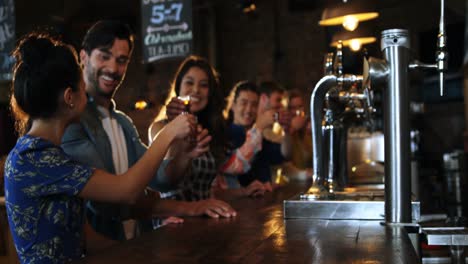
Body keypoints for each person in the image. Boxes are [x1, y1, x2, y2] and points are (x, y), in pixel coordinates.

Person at [4, 33, 194, 263]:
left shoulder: (51, 156)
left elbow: (86, 239)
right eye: (82, 88)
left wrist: (144, 255)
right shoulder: (35, 158)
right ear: (69, 97)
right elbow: (126, 190)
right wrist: (168, 134)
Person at [61, 21, 235, 243]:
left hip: (136, 247)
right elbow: (113, 201)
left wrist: (184, 155)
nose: (113, 69)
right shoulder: (72, 121)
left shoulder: (122, 122)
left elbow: (161, 180)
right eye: (104, 56)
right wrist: (168, 134)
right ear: (83, 57)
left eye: (121, 60)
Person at [148, 56, 265, 202]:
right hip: (173, 220)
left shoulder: (210, 130)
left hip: (204, 218)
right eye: (189, 82)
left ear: (210, 93)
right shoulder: (159, 127)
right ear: (178, 87)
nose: (196, 90)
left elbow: (209, 193)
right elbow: (166, 180)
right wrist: (175, 124)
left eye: (203, 85)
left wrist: (244, 191)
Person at [214, 81, 276, 192]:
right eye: (244, 103)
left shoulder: (256, 137)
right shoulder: (224, 132)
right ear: (233, 105)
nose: (249, 109)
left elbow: (281, 155)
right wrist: (259, 128)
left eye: (254, 105)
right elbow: (234, 166)